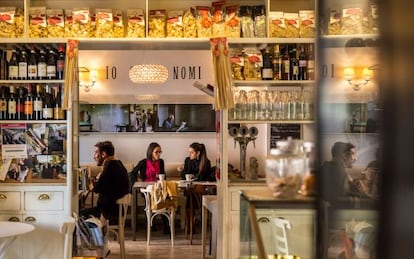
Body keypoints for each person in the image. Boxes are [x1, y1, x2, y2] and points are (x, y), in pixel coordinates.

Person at [81, 141, 130, 224]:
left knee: (78, 215)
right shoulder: (118, 164)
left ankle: (92, 236)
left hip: (108, 213)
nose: (94, 157)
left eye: (96, 153)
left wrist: (93, 182)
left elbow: (96, 188)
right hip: (115, 210)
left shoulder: (110, 167)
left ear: (103, 154)